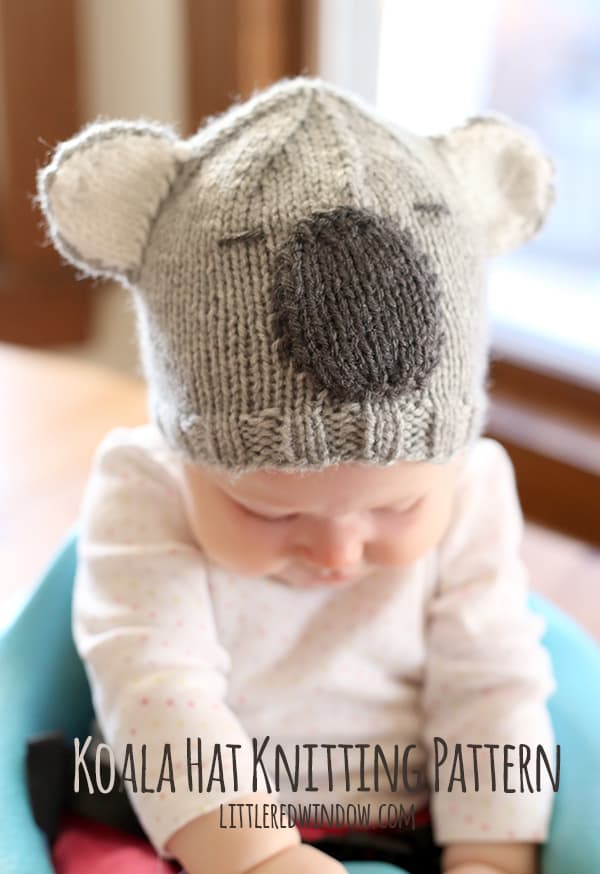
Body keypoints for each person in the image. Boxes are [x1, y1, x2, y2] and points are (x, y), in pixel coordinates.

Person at [37, 77, 558, 874]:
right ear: (189, 458)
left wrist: (489, 854)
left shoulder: (474, 486)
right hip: (184, 823)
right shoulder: (147, 486)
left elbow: (493, 680)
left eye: (398, 507)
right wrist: (256, 855)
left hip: (407, 819)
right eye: (274, 514)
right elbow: (151, 677)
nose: (337, 555)